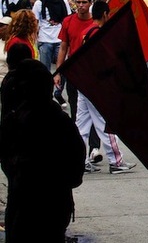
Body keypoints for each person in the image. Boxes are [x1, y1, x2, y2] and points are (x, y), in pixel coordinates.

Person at [0, 59, 86, 242]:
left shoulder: (14, 122)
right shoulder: (61, 122)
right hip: (52, 206)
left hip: (28, 206)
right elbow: (76, 167)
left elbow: (6, 162)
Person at [75, 2, 136, 174]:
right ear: (104, 14)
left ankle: (80, 160)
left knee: (82, 125)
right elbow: (102, 62)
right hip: (96, 86)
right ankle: (116, 161)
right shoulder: (98, 34)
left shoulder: (85, 32)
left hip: (84, 84)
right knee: (105, 124)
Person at [32, 0, 70, 71]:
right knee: (44, 69)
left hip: (60, 40)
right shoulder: (39, 3)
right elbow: (35, 21)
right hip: (44, 40)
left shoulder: (63, 2)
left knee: (61, 69)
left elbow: (68, 19)